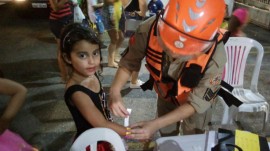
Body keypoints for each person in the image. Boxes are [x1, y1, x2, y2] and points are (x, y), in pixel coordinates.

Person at [109, 0, 227, 140]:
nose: (174, 53)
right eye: (168, 42)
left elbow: (197, 103)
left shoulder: (215, 55)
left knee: (194, 137)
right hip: (165, 96)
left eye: (187, 50)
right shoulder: (148, 29)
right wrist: (114, 92)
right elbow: (129, 61)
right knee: (166, 135)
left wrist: (154, 124)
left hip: (194, 106)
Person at [60, 23, 130, 150]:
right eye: (82, 55)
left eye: (95, 53)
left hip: (104, 135)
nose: (92, 61)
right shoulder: (77, 92)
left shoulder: (90, 74)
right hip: (93, 143)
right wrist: (131, 132)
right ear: (67, 58)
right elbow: (101, 123)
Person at [121, 0, 148, 89]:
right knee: (137, 54)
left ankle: (127, 76)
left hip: (127, 21)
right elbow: (143, 12)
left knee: (130, 51)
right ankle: (134, 81)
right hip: (136, 22)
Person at [48, 0, 73, 81]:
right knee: (62, 50)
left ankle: (69, 73)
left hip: (67, 19)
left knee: (68, 47)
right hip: (59, 22)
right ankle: (65, 77)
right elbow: (55, 8)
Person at [102, 0, 125, 68]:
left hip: (118, 12)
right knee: (114, 39)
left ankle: (115, 56)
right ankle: (110, 61)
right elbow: (109, 1)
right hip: (111, 14)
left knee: (121, 37)